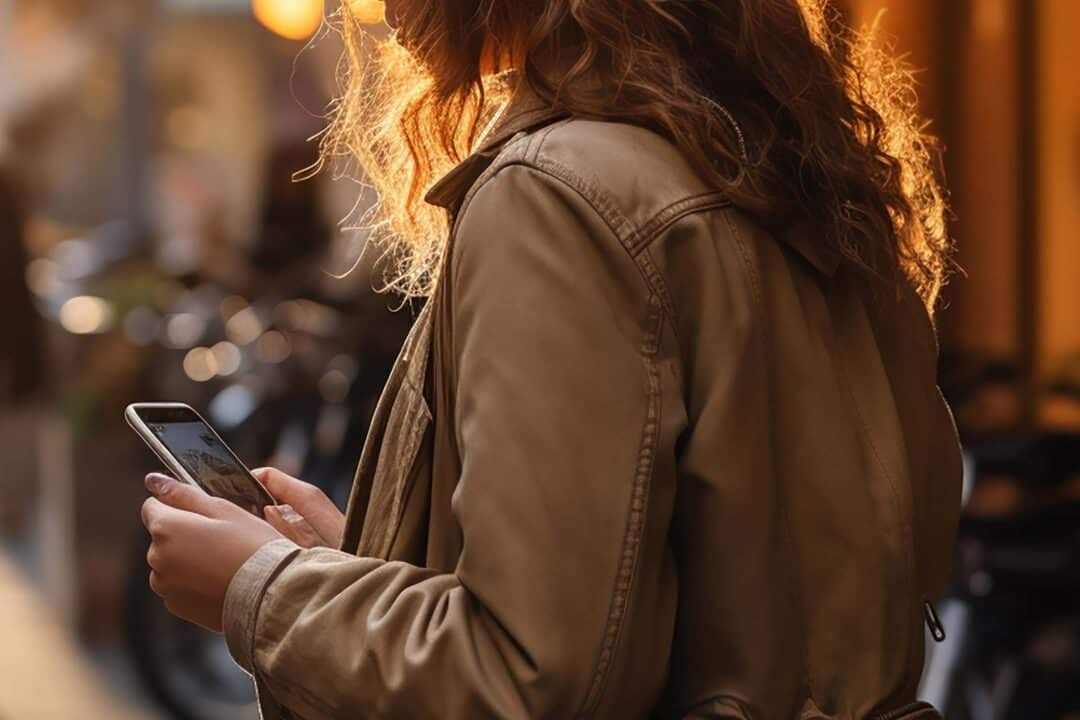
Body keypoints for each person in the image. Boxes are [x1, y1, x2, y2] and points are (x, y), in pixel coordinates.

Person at [139, 1, 964, 718]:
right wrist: (343, 565)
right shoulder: (789, 178)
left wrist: (261, 591)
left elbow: (528, 680)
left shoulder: (561, 196)